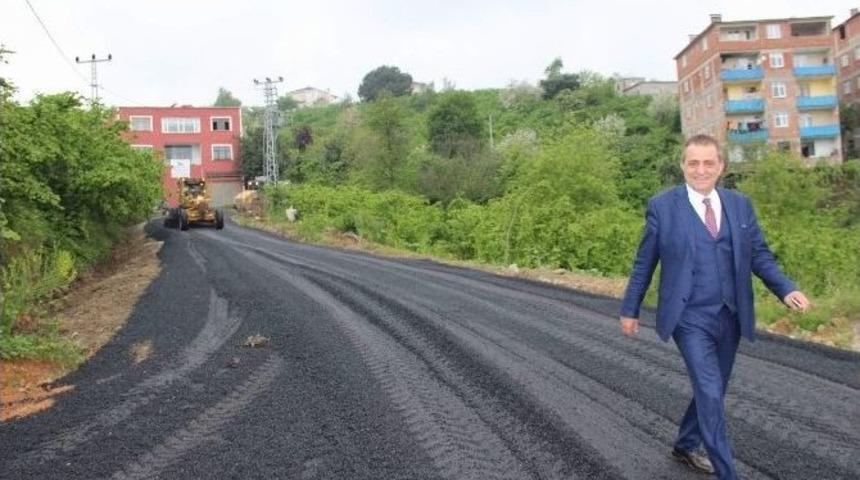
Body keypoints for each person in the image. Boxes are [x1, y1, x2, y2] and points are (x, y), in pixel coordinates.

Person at [618, 134, 810, 479]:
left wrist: (785, 289)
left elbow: (759, 256)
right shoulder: (662, 207)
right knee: (709, 390)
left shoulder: (740, 205)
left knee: (714, 388)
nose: (701, 170)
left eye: (708, 163)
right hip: (688, 317)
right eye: (693, 163)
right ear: (683, 166)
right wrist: (630, 309)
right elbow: (644, 263)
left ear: (721, 166)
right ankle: (727, 473)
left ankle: (685, 444)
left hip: (730, 315)